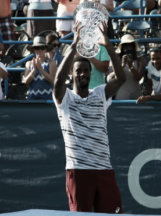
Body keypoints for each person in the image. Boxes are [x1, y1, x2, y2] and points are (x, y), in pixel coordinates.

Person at [53, 20, 126, 213]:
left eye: (86, 70)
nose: (83, 74)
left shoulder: (100, 93)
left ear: (91, 72)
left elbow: (121, 79)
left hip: (104, 169)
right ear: (72, 73)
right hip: (78, 170)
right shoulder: (64, 98)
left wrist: (109, 48)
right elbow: (58, 81)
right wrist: (74, 47)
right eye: (78, 71)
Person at [108, 34, 146, 100]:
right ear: (122, 48)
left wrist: (131, 66)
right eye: (125, 45)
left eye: (130, 45)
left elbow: (139, 78)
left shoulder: (141, 60)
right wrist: (122, 66)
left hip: (136, 93)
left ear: (134, 47)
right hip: (121, 93)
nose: (128, 47)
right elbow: (110, 78)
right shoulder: (115, 60)